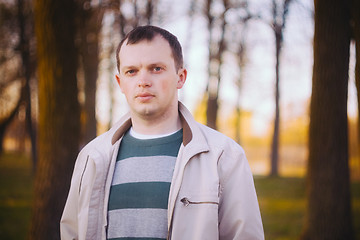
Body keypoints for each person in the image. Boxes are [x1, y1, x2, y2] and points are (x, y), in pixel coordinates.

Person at [60, 25, 264, 240]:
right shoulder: (92, 157)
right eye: (132, 71)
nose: (143, 81)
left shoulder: (224, 156)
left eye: (156, 68)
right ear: (120, 82)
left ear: (181, 77)